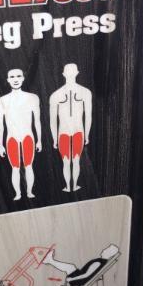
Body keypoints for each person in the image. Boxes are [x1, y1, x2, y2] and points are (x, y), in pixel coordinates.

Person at [0, 69, 41, 200]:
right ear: (8, 80)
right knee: (15, 168)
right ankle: (18, 194)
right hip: (12, 138)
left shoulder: (32, 98)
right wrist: (0, 145)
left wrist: (39, 140)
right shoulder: (1, 101)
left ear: (23, 78)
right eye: (12, 77)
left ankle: (29, 192)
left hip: (28, 136)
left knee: (29, 166)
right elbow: (0, 125)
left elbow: (37, 121)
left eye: (18, 76)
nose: (15, 79)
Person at [49, 64, 92, 192]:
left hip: (71, 132)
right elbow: (53, 120)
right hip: (72, 132)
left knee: (71, 161)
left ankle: (70, 186)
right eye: (70, 72)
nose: (71, 74)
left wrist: (55, 138)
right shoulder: (84, 92)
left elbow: (88, 116)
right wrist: (55, 138)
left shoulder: (56, 95)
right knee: (71, 161)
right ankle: (71, 186)